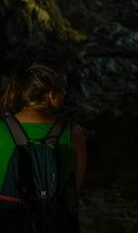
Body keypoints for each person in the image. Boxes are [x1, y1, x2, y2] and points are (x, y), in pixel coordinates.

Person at [0, 64, 87, 232]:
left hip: (10, 219)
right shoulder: (73, 133)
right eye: (63, 92)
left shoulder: (2, 129)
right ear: (51, 94)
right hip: (58, 220)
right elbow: (75, 188)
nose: (65, 96)